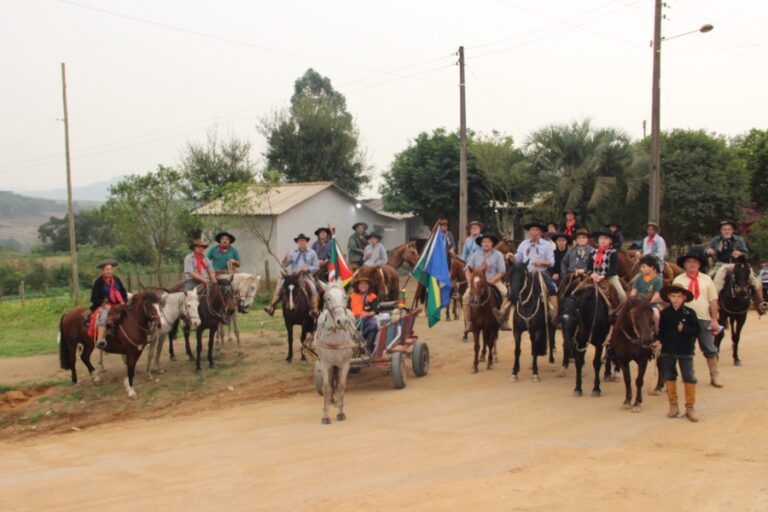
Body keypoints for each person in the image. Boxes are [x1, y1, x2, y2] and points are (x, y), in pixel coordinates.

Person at [673, 247, 722, 388]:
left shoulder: (706, 280)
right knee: (686, 348)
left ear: (699, 264)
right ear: (684, 264)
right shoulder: (679, 280)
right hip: (685, 319)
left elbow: (713, 300)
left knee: (709, 347)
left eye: (695, 261)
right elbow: (674, 300)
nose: (692, 264)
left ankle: (714, 374)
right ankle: (689, 375)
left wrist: (714, 319)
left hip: (703, 317)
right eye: (689, 262)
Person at [655, 284, 702, 422]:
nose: (676, 299)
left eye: (679, 296)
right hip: (668, 351)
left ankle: (690, 407)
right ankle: (673, 405)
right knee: (669, 376)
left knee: (689, 377)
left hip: (685, 350)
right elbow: (661, 332)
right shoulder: (664, 314)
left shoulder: (690, 313)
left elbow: (697, 330)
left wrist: (685, 329)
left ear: (684, 298)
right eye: (673, 296)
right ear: (669, 298)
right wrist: (658, 341)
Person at [498, 221, 556, 330]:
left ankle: (554, 312)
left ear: (541, 232)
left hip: (540, 273)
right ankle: (502, 312)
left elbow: (552, 262)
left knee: (552, 288)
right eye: (532, 230)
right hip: (525, 274)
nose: (534, 232)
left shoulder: (547, 245)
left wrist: (542, 262)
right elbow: (518, 258)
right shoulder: (524, 244)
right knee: (513, 289)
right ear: (529, 232)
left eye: (537, 230)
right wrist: (511, 256)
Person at [707, 220, 766, 315]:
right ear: (721, 231)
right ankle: (714, 304)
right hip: (721, 264)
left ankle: (760, 302)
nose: (726, 231)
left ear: (732, 230)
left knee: (756, 280)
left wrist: (740, 253)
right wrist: (708, 251)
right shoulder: (716, 240)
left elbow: (746, 253)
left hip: (738, 264)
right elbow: (706, 249)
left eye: (729, 229)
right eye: (724, 229)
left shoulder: (739, 239)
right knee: (710, 279)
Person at [264, 233, 320, 317]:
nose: (301, 242)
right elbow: (284, 265)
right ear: (297, 242)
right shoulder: (293, 253)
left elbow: (317, 267)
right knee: (281, 286)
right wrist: (285, 259)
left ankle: (314, 309)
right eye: (300, 241)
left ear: (306, 242)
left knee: (312, 287)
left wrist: (307, 268)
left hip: (306, 275)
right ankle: (272, 306)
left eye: (303, 240)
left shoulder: (312, 253)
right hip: (294, 276)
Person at [463, 233, 507, 333]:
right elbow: (467, 270)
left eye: (488, 242)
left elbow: (502, 271)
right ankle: (468, 323)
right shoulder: (475, 255)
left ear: (492, 244)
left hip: (493, 281)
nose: (486, 244)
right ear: (481, 244)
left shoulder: (498, 255)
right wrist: (470, 283)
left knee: (505, 294)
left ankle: (503, 320)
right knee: (465, 297)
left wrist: (492, 280)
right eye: (484, 242)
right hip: (477, 284)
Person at [90, 259, 129, 349]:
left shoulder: (117, 280)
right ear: (102, 271)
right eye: (107, 269)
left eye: (110, 269)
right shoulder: (99, 282)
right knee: (103, 315)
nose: (109, 271)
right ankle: (100, 338)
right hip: (105, 306)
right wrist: (102, 304)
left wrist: (124, 300)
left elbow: (123, 292)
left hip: (119, 304)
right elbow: (94, 298)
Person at [587, 229, 627, 305]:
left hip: (609, 277)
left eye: (606, 238)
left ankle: (622, 311)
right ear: (598, 240)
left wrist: (603, 276)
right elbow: (588, 269)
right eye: (601, 238)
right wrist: (592, 274)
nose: (603, 240)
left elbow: (613, 269)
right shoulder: (592, 252)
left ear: (610, 241)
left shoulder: (613, 252)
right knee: (578, 291)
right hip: (594, 277)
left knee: (622, 296)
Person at [630, 254, 663, 332]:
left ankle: (657, 331)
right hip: (638, 302)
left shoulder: (657, 280)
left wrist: (648, 302)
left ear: (652, 267)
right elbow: (634, 290)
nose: (642, 269)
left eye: (644, 267)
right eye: (641, 267)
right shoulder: (638, 278)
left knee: (656, 315)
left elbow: (656, 294)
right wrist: (632, 298)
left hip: (650, 303)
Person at [349, 277, 379, 353]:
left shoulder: (373, 296)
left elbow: (375, 310)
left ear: (368, 286)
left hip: (367, 319)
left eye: (365, 284)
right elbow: (347, 310)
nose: (363, 286)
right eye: (361, 284)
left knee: (373, 324)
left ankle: (368, 348)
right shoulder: (352, 296)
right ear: (357, 286)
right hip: (353, 319)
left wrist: (367, 314)